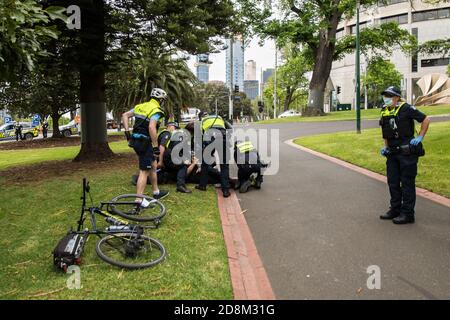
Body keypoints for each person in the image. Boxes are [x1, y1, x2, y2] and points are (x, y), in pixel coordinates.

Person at [379, 86, 430, 225]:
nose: (386, 98)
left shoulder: (406, 108)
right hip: (392, 153)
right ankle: (395, 209)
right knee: (393, 182)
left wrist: (420, 137)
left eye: (389, 96)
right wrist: (386, 147)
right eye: (385, 96)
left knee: (407, 183)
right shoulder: (384, 111)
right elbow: (385, 131)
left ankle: (408, 214)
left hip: (406, 153)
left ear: (397, 97)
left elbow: (425, 119)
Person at [122, 88, 169, 203]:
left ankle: (156, 192)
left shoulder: (140, 106)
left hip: (135, 140)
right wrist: (155, 146)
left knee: (153, 165)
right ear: (161, 100)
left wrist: (127, 133)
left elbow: (125, 115)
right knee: (144, 171)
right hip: (146, 142)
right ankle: (139, 200)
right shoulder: (157, 110)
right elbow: (151, 127)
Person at [195, 111, 232, 198]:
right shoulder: (218, 117)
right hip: (222, 136)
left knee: (205, 163)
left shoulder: (202, 121)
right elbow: (230, 128)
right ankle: (226, 190)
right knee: (224, 165)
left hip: (209, 137)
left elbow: (200, 137)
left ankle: (202, 186)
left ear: (200, 117)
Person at [158, 122, 192, 193]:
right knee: (183, 166)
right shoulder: (166, 133)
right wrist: (160, 161)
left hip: (168, 155)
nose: (175, 130)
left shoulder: (166, 134)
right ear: (169, 126)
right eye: (175, 128)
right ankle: (180, 185)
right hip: (168, 155)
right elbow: (162, 146)